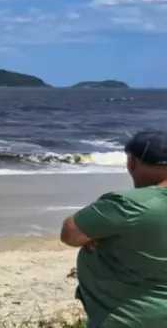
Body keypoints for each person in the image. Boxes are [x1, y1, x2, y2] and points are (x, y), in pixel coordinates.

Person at [60, 130, 167, 328]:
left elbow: (69, 233)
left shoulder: (127, 205)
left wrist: (98, 233)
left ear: (131, 162)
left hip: (128, 318)